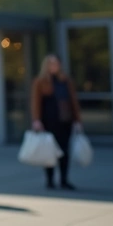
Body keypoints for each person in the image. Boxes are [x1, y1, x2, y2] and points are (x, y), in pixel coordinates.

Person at [31, 54, 82, 190]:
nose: (54, 66)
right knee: (49, 151)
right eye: (51, 63)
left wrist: (77, 120)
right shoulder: (40, 81)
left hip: (65, 120)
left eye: (56, 63)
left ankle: (64, 179)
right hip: (49, 121)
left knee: (64, 151)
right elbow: (36, 102)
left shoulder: (65, 81)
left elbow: (73, 101)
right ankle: (50, 180)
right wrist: (36, 120)